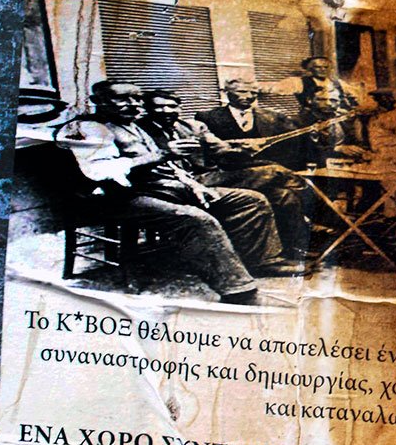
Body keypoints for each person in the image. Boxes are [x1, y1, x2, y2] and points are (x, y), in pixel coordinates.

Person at [55, 80, 301, 304]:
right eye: (122, 98)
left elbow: (168, 165)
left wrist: (195, 185)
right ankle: (239, 290)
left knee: (249, 200)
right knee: (197, 219)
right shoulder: (88, 128)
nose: (133, 104)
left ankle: (260, 261)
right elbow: (99, 171)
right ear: (97, 101)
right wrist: (162, 154)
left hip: (160, 189)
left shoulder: (132, 126)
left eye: (137, 98)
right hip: (119, 198)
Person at [138, 90, 313, 260]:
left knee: (283, 195)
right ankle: (324, 216)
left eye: (172, 106)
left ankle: (294, 249)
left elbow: (221, 148)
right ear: (147, 109)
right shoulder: (140, 130)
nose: (166, 111)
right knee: (277, 172)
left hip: (209, 176)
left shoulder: (192, 126)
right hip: (181, 183)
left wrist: (243, 148)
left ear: (180, 108)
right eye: (159, 107)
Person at [195, 79, 303, 169]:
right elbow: (204, 154)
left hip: (268, 170)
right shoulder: (207, 117)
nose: (248, 96)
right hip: (228, 173)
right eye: (242, 91)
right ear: (227, 92)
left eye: (254, 93)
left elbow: (290, 147)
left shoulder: (274, 117)